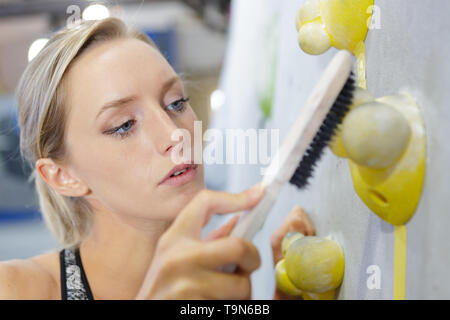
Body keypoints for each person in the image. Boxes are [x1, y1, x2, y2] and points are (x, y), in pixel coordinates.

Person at [0, 17, 315, 300]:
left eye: (177, 103)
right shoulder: (16, 288)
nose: (175, 135)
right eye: (123, 125)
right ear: (62, 176)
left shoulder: (213, 282)